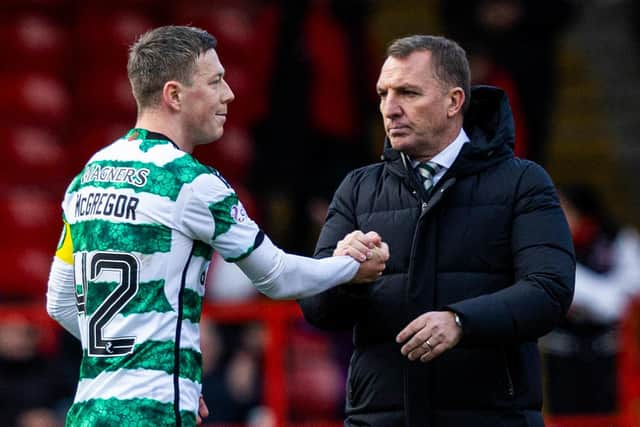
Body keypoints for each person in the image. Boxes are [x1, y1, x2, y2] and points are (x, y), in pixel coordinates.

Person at [45, 25, 389, 427]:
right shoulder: (190, 182)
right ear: (174, 95)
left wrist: (163, 371)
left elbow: (60, 302)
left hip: (89, 412)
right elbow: (276, 277)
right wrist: (350, 264)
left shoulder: (89, 176)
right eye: (215, 81)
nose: (229, 94)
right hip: (154, 415)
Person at [298, 35, 575, 427]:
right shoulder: (357, 189)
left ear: (454, 101)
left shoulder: (523, 183)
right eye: (382, 94)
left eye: (408, 93)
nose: (390, 109)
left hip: (492, 418)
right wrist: (346, 275)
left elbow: (550, 289)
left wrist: (461, 322)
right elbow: (316, 307)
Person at [540, 183, 640, 414]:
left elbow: (617, 304)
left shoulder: (619, 240)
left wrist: (580, 290)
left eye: (562, 209)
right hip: (560, 356)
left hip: (609, 354)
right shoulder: (546, 247)